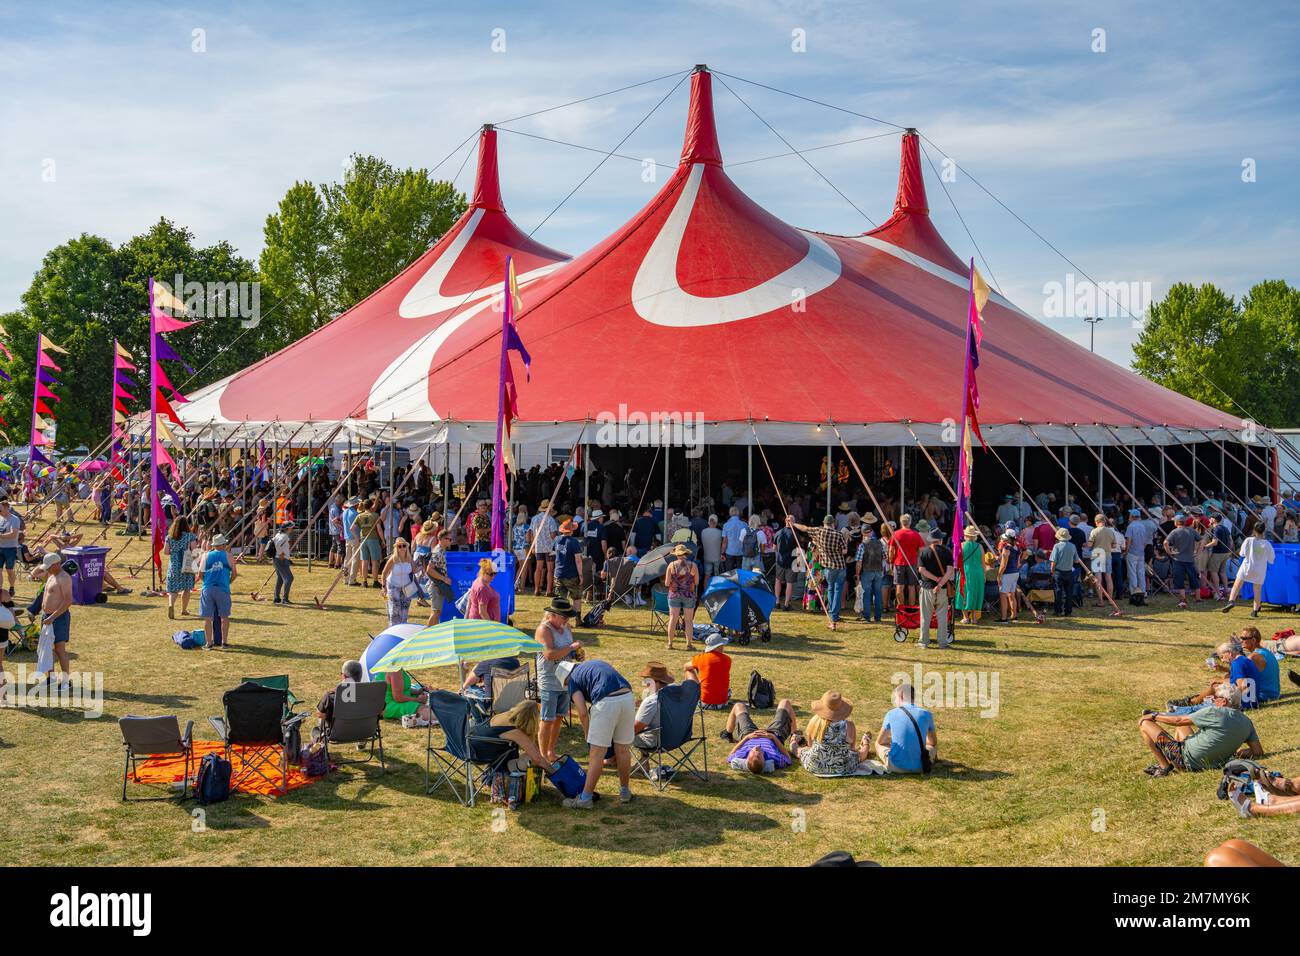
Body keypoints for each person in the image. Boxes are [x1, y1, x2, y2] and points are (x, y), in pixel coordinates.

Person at [1138, 681, 1263, 777]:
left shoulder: (1215, 712)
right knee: (1183, 728)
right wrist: (1236, 752)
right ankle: (1173, 758)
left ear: (1223, 701)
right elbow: (1257, 751)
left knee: (1145, 723)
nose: (1212, 700)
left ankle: (1164, 767)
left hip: (1185, 760)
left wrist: (1154, 715)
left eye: (1214, 698)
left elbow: (1178, 721)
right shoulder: (1247, 722)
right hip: (1212, 763)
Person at [564, 658, 636, 808]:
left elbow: (583, 713)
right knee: (623, 750)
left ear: (566, 679)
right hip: (628, 697)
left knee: (596, 754)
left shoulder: (572, 681)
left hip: (607, 702)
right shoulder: (591, 665)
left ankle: (585, 799)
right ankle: (624, 791)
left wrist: (587, 734)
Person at [535, 597, 582, 764]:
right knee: (547, 720)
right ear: (552, 615)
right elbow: (549, 655)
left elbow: (568, 650)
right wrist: (570, 648)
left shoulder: (566, 627)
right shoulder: (543, 630)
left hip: (565, 680)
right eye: (564, 616)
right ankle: (542, 756)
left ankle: (551, 751)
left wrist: (577, 654)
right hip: (549, 680)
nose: (567, 620)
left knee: (559, 717)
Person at [788, 514, 849, 629]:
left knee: (831, 589)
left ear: (824, 523)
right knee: (837, 591)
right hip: (840, 566)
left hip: (829, 567)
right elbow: (845, 551)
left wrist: (793, 524)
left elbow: (804, 528)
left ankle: (833, 616)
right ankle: (834, 615)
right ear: (833, 523)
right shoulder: (839, 534)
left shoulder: (819, 531)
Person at [799, 691, 873, 776]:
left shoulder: (815, 722)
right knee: (860, 754)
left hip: (814, 766)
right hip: (843, 768)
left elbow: (810, 745)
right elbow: (851, 749)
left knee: (800, 751)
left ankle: (793, 741)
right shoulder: (849, 726)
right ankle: (866, 742)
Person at [720, 697, 800, 774]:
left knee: (738, 706)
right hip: (773, 735)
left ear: (747, 758)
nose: (757, 747)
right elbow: (788, 759)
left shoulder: (741, 755)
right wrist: (773, 737)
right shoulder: (774, 758)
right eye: (759, 753)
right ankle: (794, 735)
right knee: (785, 703)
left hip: (749, 734)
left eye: (753, 751)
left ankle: (727, 733)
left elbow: (730, 756)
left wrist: (747, 738)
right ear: (764, 760)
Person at [875, 683, 937, 773]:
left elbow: (881, 740)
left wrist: (894, 740)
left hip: (895, 766)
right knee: (933, 747)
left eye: (895, 697)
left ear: (901, 696)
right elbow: (933, 742)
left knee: (877, 744)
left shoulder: (891, 713)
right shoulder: (927, 714)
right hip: (921, 766)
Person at [1222, 520, 1275, 617]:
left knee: (1236, 585)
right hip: (1259, 569)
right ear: (1264, 531)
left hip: (1247, 566)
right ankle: (1255, 611)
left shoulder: (1248, 540)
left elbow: (1241, 553)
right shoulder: (1267, 544)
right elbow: (1271, 559)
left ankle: (1231, 601)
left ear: (1254, 530)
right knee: (1257, 590)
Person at [37, 553, 74, 690]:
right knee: (47, 648)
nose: (47, 569)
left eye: (49, 567)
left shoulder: (64, 578)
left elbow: (67, 601)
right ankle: (51, 677)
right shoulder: (51, 575)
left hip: (58, 618)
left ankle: (66, 681)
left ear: (57, 564)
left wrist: (52, 617)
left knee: (59, 649)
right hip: (46, 617)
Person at [916, 527, 953, 648]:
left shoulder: (924, 552)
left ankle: (923, 642)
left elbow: (921, 570)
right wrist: (940, 583)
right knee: (942, 617)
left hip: (927, 587)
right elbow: (950, 571)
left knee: (925, 616)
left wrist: (935, 580)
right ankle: (942, 642)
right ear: (940, 540)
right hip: (942, 589)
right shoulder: (947, 552)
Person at [199, 533, 236, 649]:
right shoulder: (228, 556)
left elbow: (200, 574)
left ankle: (209, 643)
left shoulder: (206, 555)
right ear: (224, 544)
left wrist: (206, 581)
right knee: (224, 617)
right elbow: (234, 574)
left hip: (208, 588)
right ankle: (224, 642)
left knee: (207, 618)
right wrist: (228, 582)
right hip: (222, 588)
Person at [682, 629, 732, 711]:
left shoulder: (702, 658)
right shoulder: (728, 659)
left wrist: (698, 668)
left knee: (688, 671)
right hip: (722, 703)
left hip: (704, 703)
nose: (723, 646)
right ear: (718, 646)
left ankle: (687, 694)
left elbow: (686, 666)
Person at [315, 659, 365, 736]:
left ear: (344, 676)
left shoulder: (331, 696)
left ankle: (320, 740)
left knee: (322, 714)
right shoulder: (370, 694)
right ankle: (361, 741)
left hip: (337, 733)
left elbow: (320, 714)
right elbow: (381, 711)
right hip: (363, 731)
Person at [664, 543, 699, 651]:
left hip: (674, 594)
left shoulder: (671, 565)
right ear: (686, 553)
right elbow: (697, 582)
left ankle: (670, 643)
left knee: (673, 619)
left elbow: (666, 583)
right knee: (688, 621)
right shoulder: (693, 565)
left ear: (677, 554)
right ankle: (688, 644)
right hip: (688, 594)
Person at [632, 662, 672, 754]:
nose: (645, 684)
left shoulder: (651, 701)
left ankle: (613, 759)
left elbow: (634, 730)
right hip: (678, 737)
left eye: (646, 680)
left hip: (654, 742)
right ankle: (644, 764)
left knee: (618, 732)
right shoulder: (676, 692)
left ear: (655, 682)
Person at [1163, 514, 1200, 608]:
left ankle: (1183, 599)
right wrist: (1198, 551)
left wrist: (1169, 552)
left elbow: (1165, 542)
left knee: (1179, 580)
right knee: (1193, 578)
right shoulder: (1192, 531)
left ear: (1176, 522)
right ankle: (1198, 598)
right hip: (1190, 559)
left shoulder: (1174, 532)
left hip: (1178, 559)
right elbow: (1201, 540)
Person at [165, 515, 198, 619]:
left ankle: (171, 604)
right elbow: (194, 551)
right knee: (186, 588)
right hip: (187, 564)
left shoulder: (169, 537)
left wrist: (174, 552)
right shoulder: (190, 536)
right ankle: (183, 610)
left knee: (173, 589)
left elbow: (165, 551)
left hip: (174, 564)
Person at [889, 513, 925, 608]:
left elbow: (891, 550)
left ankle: (901, 608)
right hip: (912, 563)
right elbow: (921, 551)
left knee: (899, 586)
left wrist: (891, 562)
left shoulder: (895, 534)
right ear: (910, 522)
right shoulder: (916, 534)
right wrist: (917, 558)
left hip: (898, 563)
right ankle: (911, 608)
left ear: (901, 522)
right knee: (911, 586)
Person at [552, 519, 584, 621]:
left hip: (558, 573)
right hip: (572, 574)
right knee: (576, 598)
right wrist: (581, 575)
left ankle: (560, 621)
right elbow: (578, 560)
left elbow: (553, 553)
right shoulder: (574, 541)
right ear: (571, 530)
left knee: (561, 600)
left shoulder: (557, 539)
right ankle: (578, 620)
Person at [380, 538, 417, 626]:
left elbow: (414, 570)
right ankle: (393, 629)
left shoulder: (409, 558)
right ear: (396, 548)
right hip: (393, 586)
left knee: (404, 610)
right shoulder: (393, 559)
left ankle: (403, 628)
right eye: (399, 546)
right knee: (394, 610)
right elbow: (384, 573)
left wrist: (423, 567)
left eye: (404, 546)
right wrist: (383, 586)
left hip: (407, 587)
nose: (402, 548)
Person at [953, 525, 984, 625]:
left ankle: (966, 617)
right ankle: (974, 618)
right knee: (975, 593)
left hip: (965, 571)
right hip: (978, 572)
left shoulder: (961, 546)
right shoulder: (980, 546)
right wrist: (984, 575)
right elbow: (983, 563)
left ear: (966, 535)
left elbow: (956, 561)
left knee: (963, 592)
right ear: (975, 536)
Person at [856, 518, 886, 623]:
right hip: (878, 571)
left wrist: (857, 574)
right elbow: (885, 557)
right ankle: (878, 617)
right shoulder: (879, 543)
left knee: (866, 594)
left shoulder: (862, 545)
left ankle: (867, 617)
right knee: (878, 594)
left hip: (867, 571)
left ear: (862, 533)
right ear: (871, 531)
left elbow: (859, 562)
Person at [1124, 508, 1154, 604]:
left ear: (1132, 516)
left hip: (1132, 552)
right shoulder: (1142, 526)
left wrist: (1126, 551)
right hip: (1141, 552)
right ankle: (1143, 592)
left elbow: (1129, 540)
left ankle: (1134, 592)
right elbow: (1145, 541)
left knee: (1132, 573)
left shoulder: (1130, 526)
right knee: (1141, 573)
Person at [1088, 513, 1118, 606]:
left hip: (1097, 553)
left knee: (1098, 578)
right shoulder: (1110, 531)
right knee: (1108, 577)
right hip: (1108, 554)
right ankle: (1110, 600)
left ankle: (1100, 601)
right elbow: (1114, 545)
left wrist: (1088, 545)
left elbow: (1089, 545)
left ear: (1097, 522)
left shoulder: (1094, 531)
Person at [1049, 526, 1078, 617]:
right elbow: (1076, 560)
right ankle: (1068, 611)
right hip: (1069, 572)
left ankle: (1058, 611)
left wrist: (1052, 571)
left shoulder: (1056, 546)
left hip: (1059, 572)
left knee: (1058, 592)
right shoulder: (1072, 546)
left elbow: (1053, 561)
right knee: (1069, 593)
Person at [996, 527, 1022, 622]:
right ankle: (1014, 615)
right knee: (1011, 595)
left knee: (1003, 595)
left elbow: (1003, 565)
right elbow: (1017, 563)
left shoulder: (1006, 548)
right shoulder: (1017, 548)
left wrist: (998, 575)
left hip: (1007, 573)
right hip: (1015, 572)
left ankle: (1003, 618)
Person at [465, 557, 501, 622]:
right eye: (491, 574)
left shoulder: (478, 581)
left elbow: (470, 601)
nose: (493, 577)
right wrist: (493, 627)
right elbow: (482, 612)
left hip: (478, 622)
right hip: (483, 626)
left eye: (495, 573)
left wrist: (466, 618)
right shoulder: (482, 588)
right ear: (483, 572)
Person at [270, 519, 294, 605]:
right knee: (289, 578)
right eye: (291, 528)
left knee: (280, 578)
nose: (292, 529)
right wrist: (280, 554)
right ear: (287, 529)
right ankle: (285, 599)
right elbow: (277, 545)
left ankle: (276, 598)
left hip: (277, 560)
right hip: (281, 560)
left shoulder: (278, 534)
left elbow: (273, 542)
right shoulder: (284, 536)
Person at [0, 498, 21, 596]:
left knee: (9, 570)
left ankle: (12, 587)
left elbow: (13, 534)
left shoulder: (14, 519)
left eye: (0, 509)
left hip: (10, 548)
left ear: (6, 508)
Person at [721, 507, 747, 572]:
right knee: (741, 573)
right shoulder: (744, 524)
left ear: (730, 513)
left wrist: (722, 553)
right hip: (741, 551)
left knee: (729, 573)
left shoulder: (726, 525)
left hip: (730, 551)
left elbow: (725, 541)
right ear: (738, 513)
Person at [700, 514, 723, 582]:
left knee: (707, 576)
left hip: (707, 557)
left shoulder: (703, 531)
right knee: (717, 576)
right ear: (716, 523)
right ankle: (717, 592)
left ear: (708, 522)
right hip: (717, 557)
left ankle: (705, 591)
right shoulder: (720, 532)